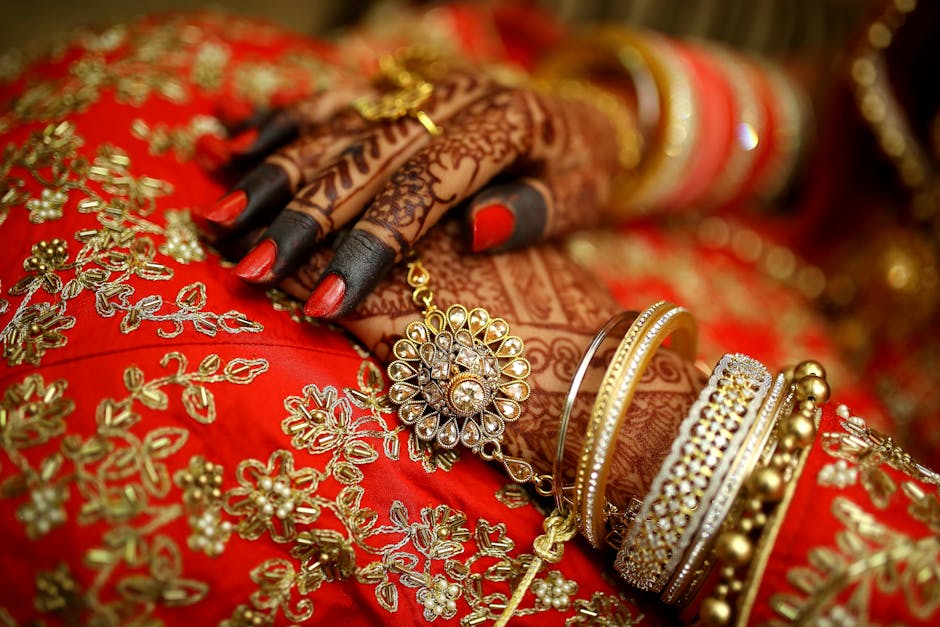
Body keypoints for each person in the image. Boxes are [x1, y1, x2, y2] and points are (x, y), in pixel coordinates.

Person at [0, 2, 937, 625]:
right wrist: (622, 130)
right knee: (128, 117)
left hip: (808, 494)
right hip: (759, 230)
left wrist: (644, 427)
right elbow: (848, 114)